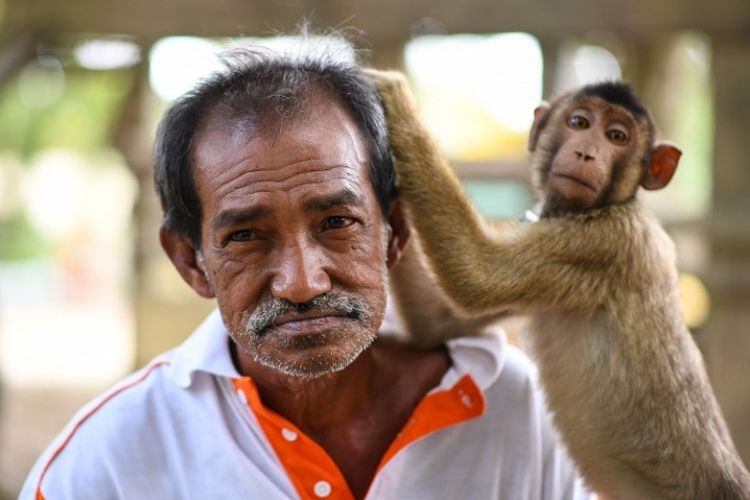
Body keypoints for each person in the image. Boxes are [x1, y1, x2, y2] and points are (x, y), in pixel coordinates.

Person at [21, 38, 590, 499]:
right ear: (191, 261)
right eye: (246, 236)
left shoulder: (527, 412)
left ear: (395, 231)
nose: (302, 282)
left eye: (337, 223)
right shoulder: (103, 467)